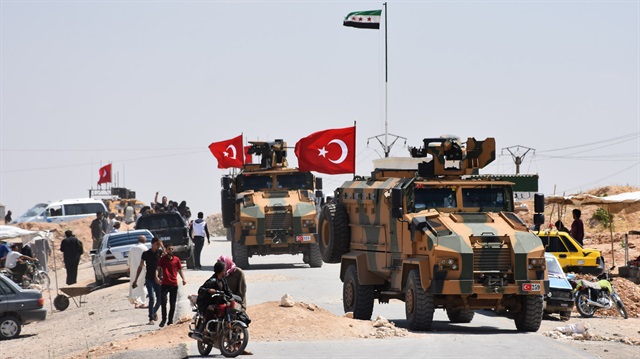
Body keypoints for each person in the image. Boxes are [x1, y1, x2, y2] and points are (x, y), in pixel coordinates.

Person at [133, 237, 164, 325]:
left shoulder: (160, 252)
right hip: (149, 278)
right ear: (152, 244)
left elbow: (167, 256)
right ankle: (151, 318)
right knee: (152, 298)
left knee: (159, 300)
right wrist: (136, 279)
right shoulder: (146, 254)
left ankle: (153, 312)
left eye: (159, 245)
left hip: (158, 278)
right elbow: (140, 266)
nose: (158, 246)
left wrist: (162, 246)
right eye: (157, 244)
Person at [157, 243, 186, 327]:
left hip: (174, 284)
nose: (171, 250)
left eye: (172, 249)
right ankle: (164, 319)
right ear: (166, 250)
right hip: (165, 283)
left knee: (172, 303)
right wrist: (156, 277)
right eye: (169, 249)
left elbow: (180, 270)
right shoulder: (162, 259)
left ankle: (170, 320)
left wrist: (183, 279)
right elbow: (158, 269)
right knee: (163, 302)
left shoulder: (176, 260)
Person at [128, 235, 148, 309]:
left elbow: (129, 260)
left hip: (133, 270)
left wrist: (129, 267)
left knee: (134, 285)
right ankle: (143, 303)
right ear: (144, 241)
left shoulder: (132, 248)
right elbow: (147, 259)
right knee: (142, 286)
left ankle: (136, 303)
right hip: (142, 270)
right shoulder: (144, 248)